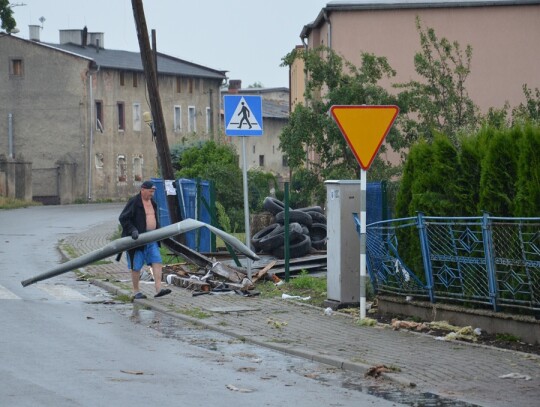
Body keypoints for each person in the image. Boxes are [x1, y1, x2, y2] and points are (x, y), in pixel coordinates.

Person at [119, 180, 171, 300]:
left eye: (153, 192)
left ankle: (158, 289)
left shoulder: (153, 203)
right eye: (150, 191)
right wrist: (133, 230)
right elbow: (123, 218)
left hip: (151, 239)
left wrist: (159, 231)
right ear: (142, 190)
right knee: (136, 266)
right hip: (137, 240)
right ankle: (136, 291)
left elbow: (154, 219)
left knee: (157, 261)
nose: (151, 194)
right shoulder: (134, 202)